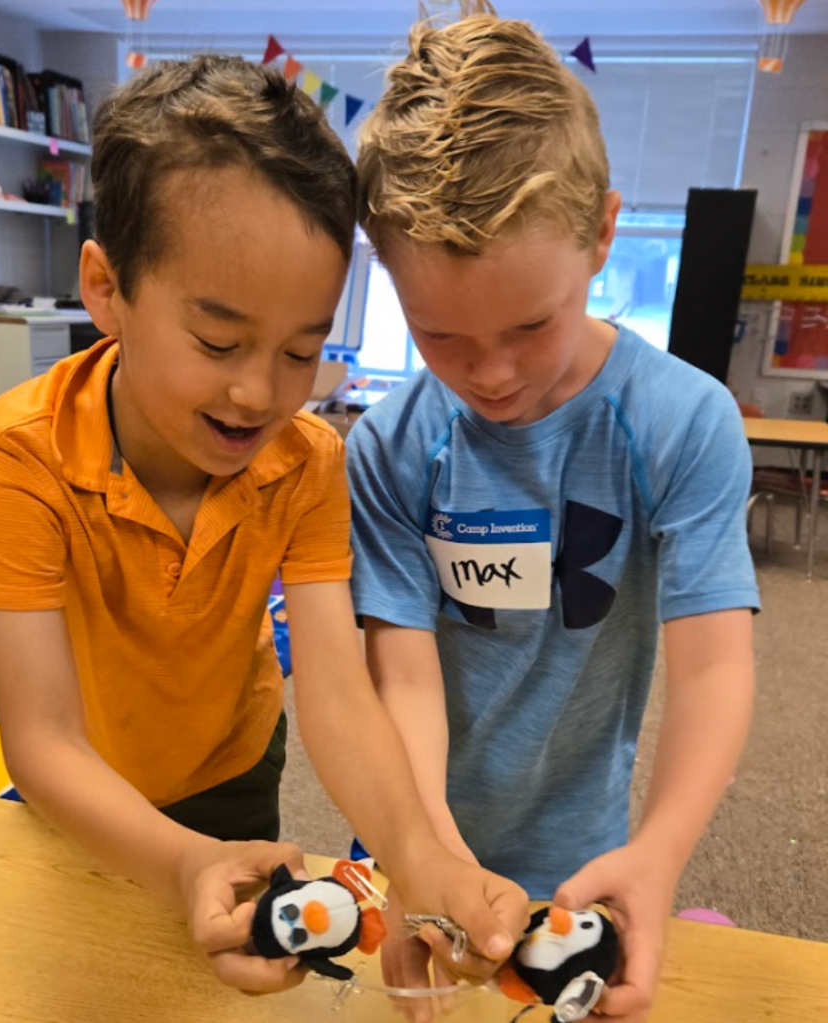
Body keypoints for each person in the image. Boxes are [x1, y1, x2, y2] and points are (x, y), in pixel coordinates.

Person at [0, 56, 527, 996]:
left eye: (302, 349)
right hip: (82, 784)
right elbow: (43, 738)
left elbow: (338, 692)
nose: (260, 392)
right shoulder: (13, 456)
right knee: (70, 979)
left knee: (212, 988)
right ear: (107, 289)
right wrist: (175, 861)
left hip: (232, 767)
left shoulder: (305, 462)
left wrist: (423, 854)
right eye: (218, 342)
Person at [347, 10, 757, 1019]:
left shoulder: (682, 420)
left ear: (605, 234)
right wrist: (422, 855)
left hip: (583, 852)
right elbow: (400, 676)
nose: (490, 374)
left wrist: (658, 854)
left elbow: (714, 662)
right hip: (411, 829)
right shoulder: (389, 447)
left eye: (532, 324)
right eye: (438, 335)